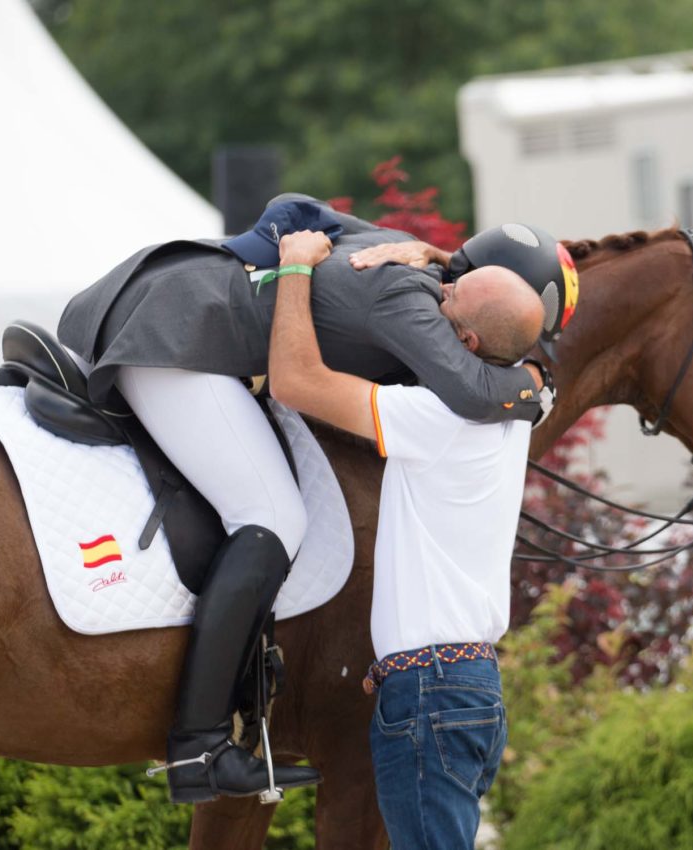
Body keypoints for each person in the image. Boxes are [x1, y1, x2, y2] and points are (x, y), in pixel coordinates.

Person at [55, 197, 574, 803]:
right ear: (469, 323)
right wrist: (538, 388)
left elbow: (295, 206)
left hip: (161, 293)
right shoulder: (412, 302)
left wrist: (284, 245)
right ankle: (199, 744)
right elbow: (473, 389)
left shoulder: (399, 249)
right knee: (272, 516)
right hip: (174, 332)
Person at [268, 228, 535, 848]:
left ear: (464, 343)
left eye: (448, 299)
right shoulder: (523, 405)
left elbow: (293, 381)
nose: (434, 297)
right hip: (461, 683)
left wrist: (295, 268)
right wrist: (439, 255)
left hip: (434, 692)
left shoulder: (437, 419)